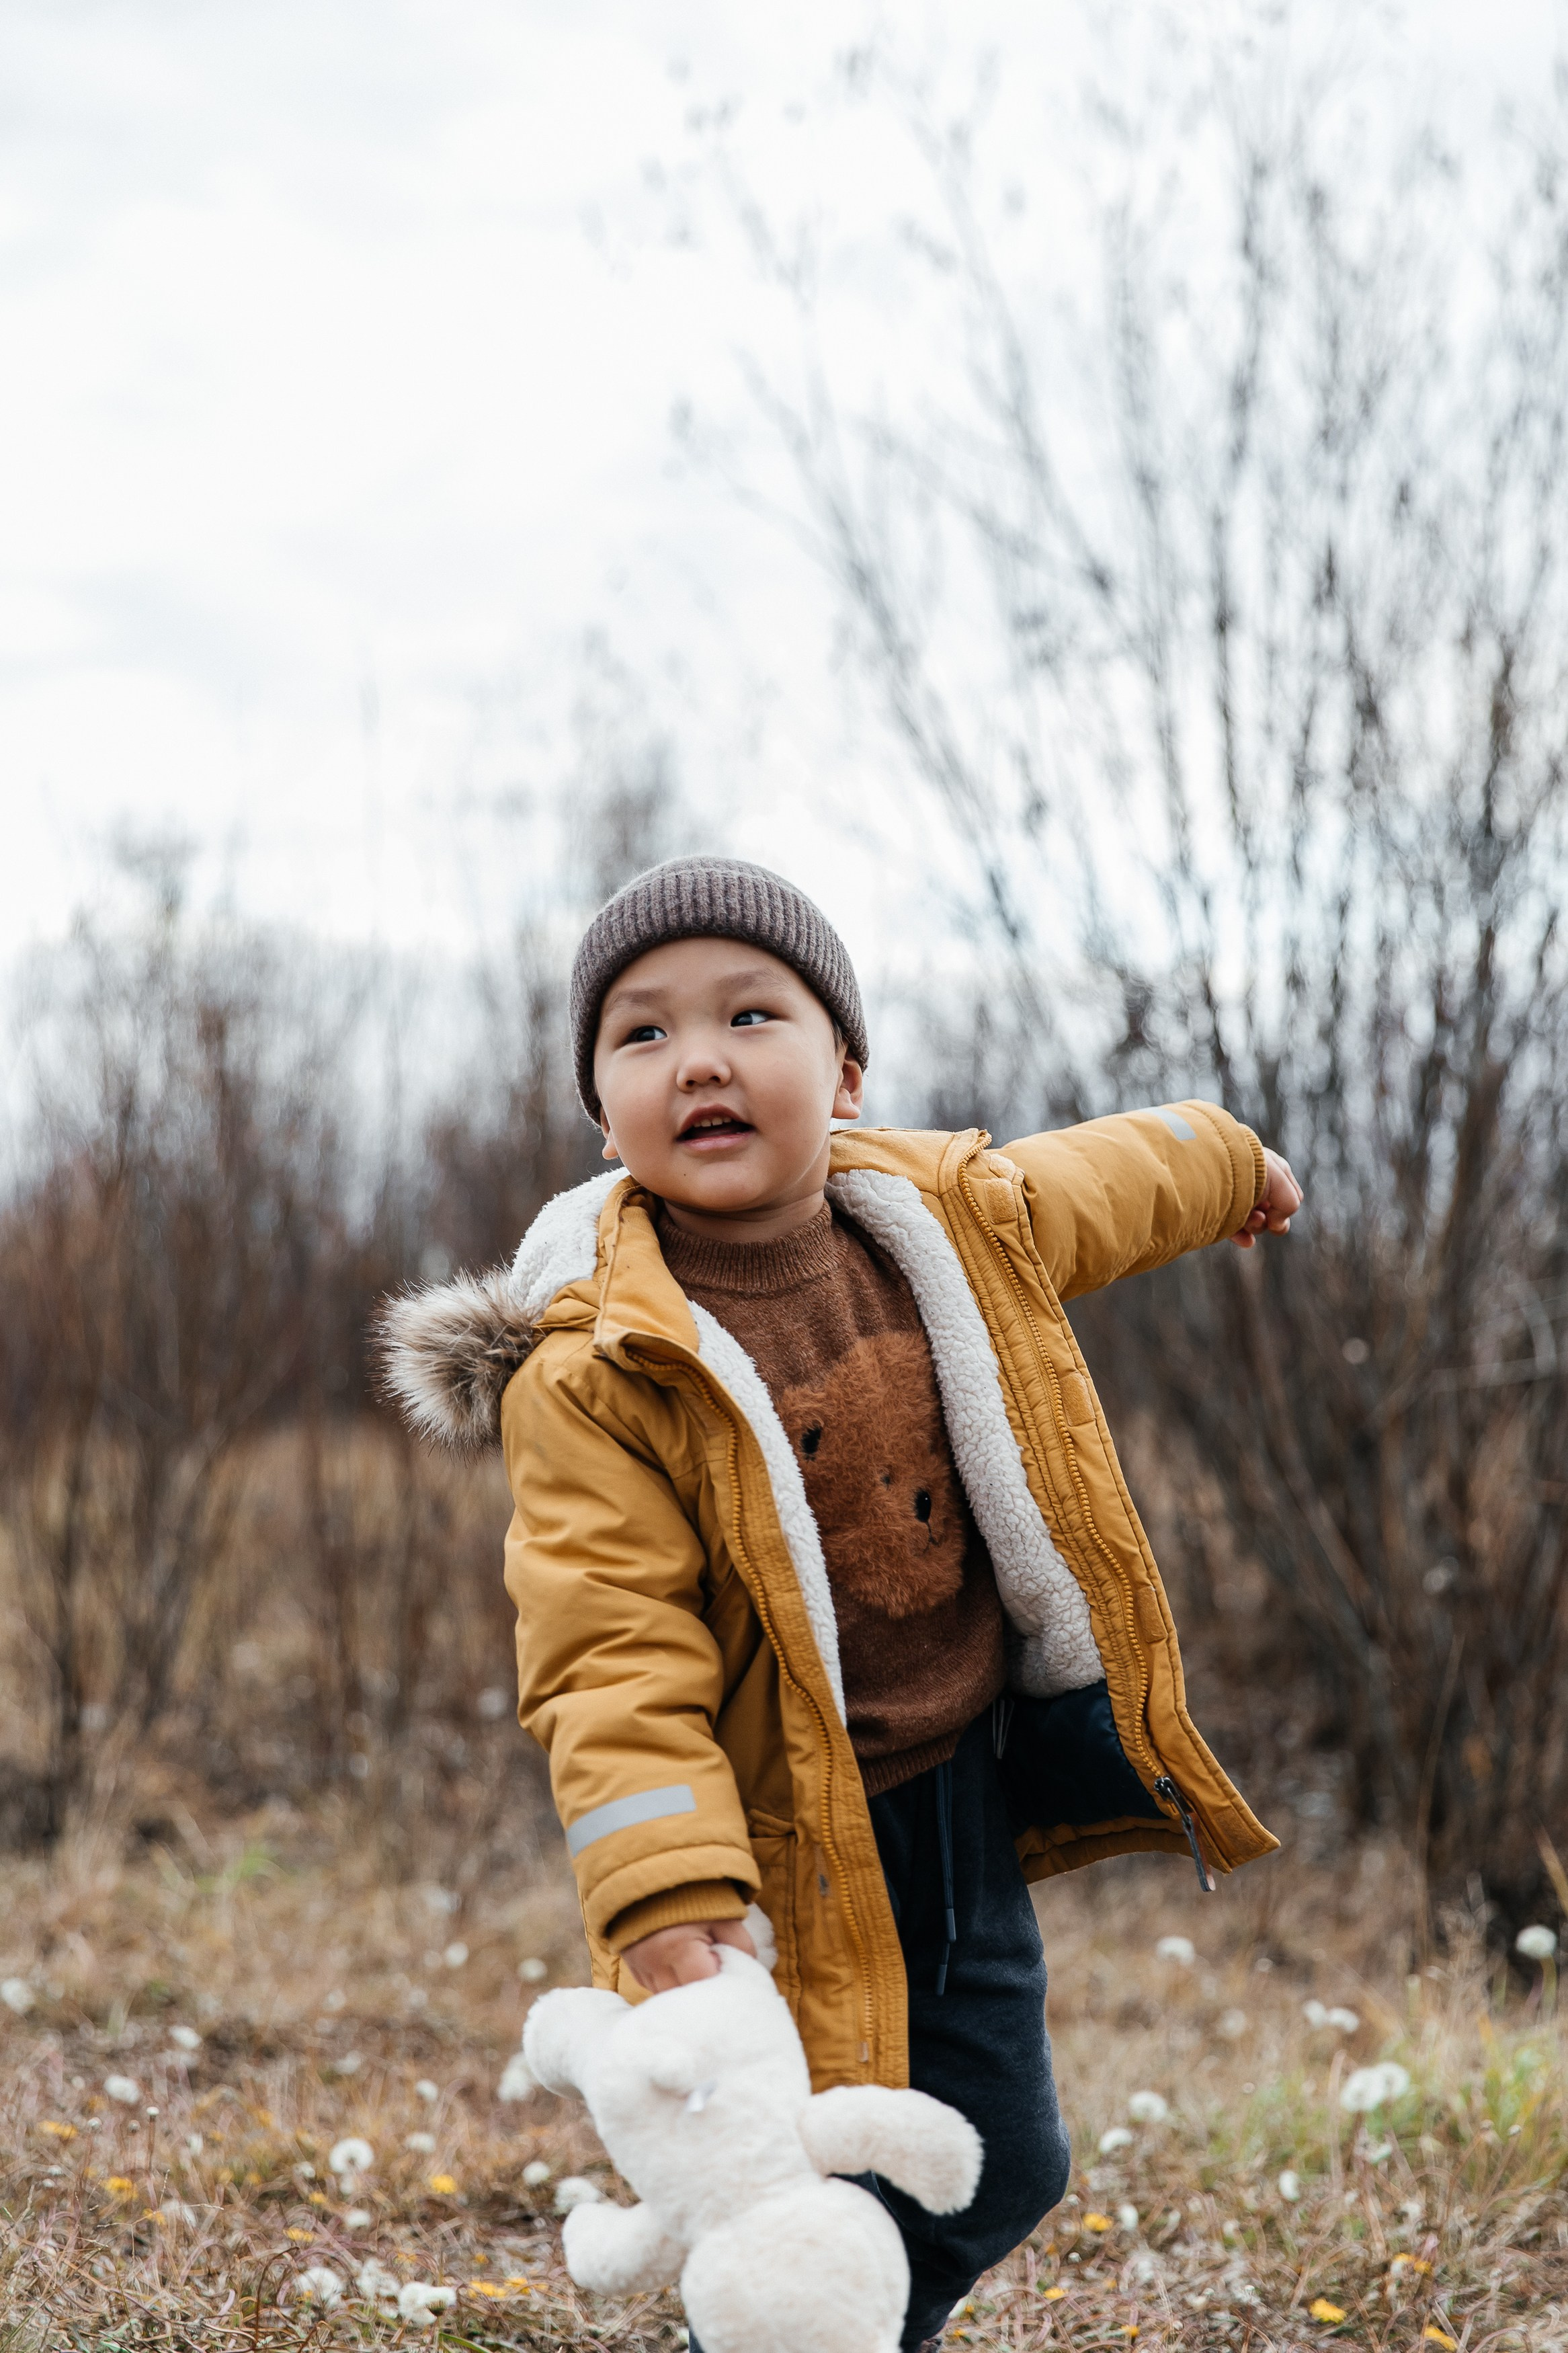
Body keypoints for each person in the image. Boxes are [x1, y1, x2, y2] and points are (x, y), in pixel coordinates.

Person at [382, 855, 1301, 2351]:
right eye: (644, 1034)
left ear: (849, 1071)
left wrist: (1228, 1159)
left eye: (753, 1014)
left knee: (1004, 2154)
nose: (702, 1060)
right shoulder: (600, 1366)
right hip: (767, 1844)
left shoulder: (947, 1223)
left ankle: (828, 2319)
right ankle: (786, 2322)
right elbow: (608, 1648)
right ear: (600, 1113)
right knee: (786, 2164)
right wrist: (670, 1888)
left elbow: (1106, 1180)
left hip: (958, 1793)